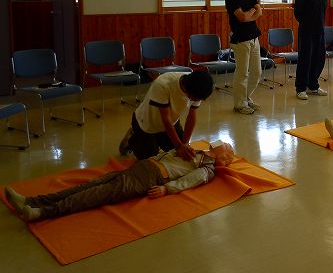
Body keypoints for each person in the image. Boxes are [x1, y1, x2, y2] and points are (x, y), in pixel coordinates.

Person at [5, 141, 234, 222]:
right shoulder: (196, 151)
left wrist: (167, 189)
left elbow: (189, 181)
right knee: (88, 186)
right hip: (143, 166)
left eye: (222, 147)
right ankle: (32, 200)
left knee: (94, 195)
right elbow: (170, 153)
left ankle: (40, 213)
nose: (216, 145)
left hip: (150, 177)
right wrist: (179, 148)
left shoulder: (206, 169)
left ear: (222, 158)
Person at [119, 70, 213, 160]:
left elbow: (191, 117)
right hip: (146, 124)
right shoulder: (163, 84)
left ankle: (157, 141)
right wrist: (179, 146)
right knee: (150, 160)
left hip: (172, 122)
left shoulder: (198, 87)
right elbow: (165, 118)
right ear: (188, 89)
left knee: (181, 154)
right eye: (194, 98)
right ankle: (132, 138)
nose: (195, 101)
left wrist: (185, 144)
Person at [225, 0, 262, 115]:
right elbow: (242, 17)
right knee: (242, 73)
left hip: (254, 37)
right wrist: (253, 10)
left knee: (257, 72)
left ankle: (246, 98)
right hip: (241, 40)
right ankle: (239, 104)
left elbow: (259, 12)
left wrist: (250, 13)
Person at [294, 0, 329, 100]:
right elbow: (298, 14)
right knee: (305, 60)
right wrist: (309, 24)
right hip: (307, 33)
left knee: (319, 59)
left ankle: (313, 85)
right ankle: (301, 88)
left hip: (320, 32)